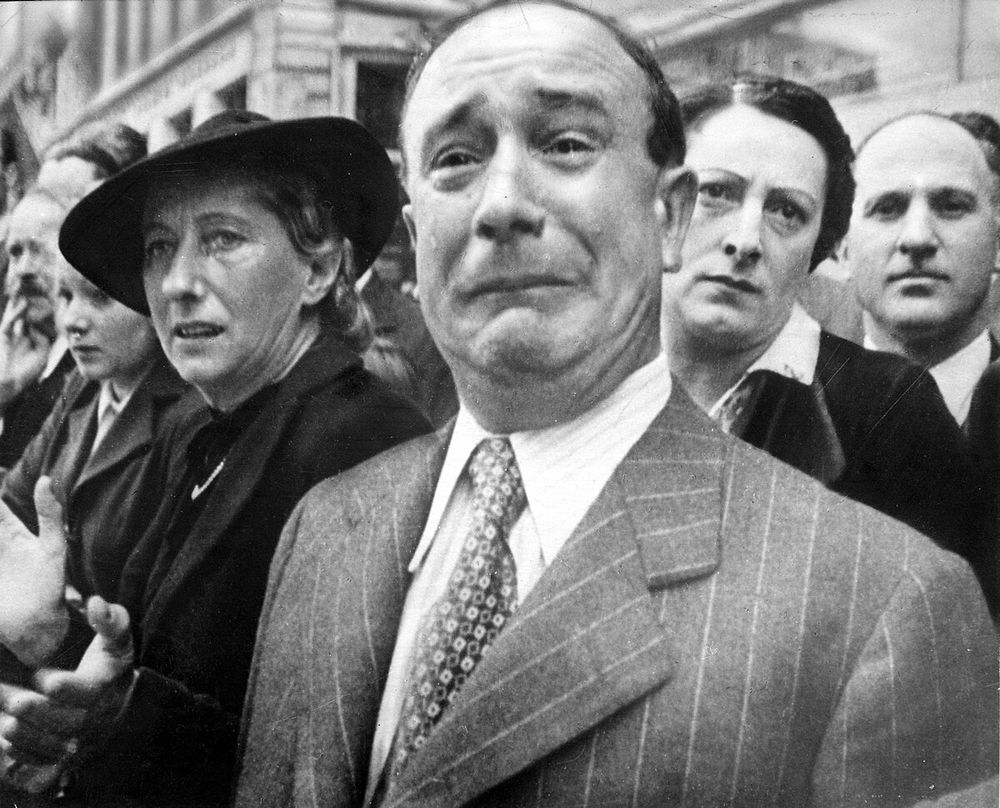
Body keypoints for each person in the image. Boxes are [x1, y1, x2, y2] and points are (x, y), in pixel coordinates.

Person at [235, 3, 998, 807]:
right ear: (418, 234)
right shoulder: (323, 529)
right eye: (456, 158)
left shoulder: (881, 602)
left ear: (667, 214)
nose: (500, 204)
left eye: (566, 143)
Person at [0, 110, 430, 805]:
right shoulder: (210, 431)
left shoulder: (367, 442)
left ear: (318, 267)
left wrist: (118, 727)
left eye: (222, 240)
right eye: (159, 248)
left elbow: (339, 758)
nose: (176, 283)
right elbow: (149, 662)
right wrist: (54, 635)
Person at [661, 75, 985, 564]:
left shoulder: (888, 409)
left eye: (788, 211)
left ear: (821, 246)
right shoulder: (584, 379)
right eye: (718, 193)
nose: (745, 240)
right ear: (661, 205)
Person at [849, 111, 1000, 427]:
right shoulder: (782, 419)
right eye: (887, 208)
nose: (917, 238)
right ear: (841, 245)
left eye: (952, 206)